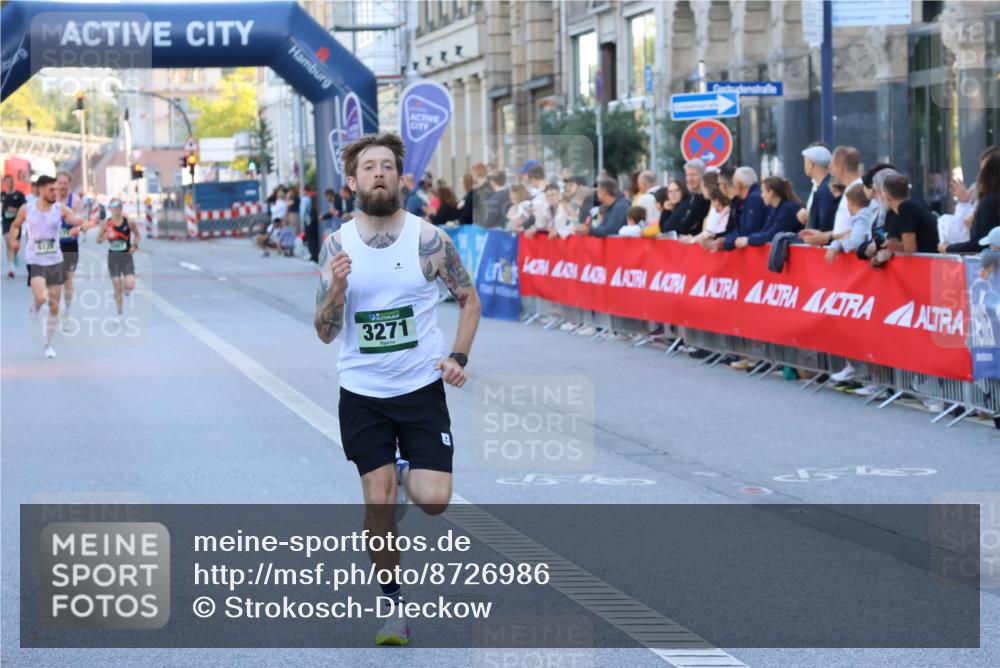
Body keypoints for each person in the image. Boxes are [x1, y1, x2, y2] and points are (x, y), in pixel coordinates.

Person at [313, 132, 481, 647]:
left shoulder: (429, 240)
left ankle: (409, 472)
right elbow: (324, 331)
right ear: (353, 181)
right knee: (378, 502)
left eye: (388, 165)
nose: (379, 173)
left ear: (401, 178)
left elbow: (468, 298)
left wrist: (457, 357)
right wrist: (336, 290)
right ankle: (392, 605)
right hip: (362, 390)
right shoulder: (337, 246)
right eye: (369, 167)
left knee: (434, 500)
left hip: (420, 386)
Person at [5, 175, 87, 358]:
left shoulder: (60, 208)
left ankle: (48, 344)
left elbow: (75, 218)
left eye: (56, 189)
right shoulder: (27, 209)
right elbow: (16, 225)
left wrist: (81, 224)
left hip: (55, 260)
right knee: (42, 298)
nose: (55, 193)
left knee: (54, 306)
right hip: (35, 260)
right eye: (51, 190)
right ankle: (36, 303)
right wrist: (13, 240)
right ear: (41, 190)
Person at [941, 153, 1000, 254]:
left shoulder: (988, 202)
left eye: (983, 171)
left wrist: (947, 248)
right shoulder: (986, 201)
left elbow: (977, 244)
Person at [96, 198, 140, 320]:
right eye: (114, 205)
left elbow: (137, 235)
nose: (116, 207)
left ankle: (127, 290)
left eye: (119, 205)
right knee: (116, 285)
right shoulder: (106, 224)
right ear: (110, 208)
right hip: (113, 257)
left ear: (122, 207)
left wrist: (134, 245)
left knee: (130, 284)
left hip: (126, 257)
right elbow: (97, 240)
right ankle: (119, 313)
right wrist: (104, 236)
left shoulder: (129, 222)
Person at [732, 176, 803, 248]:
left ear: (771, 192)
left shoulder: (787, 209)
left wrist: (749, 239)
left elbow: (774, 234)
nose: (761, 195)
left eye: (763, 191)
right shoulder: (774, 209)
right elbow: (765, 230)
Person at [880, 174, 940, 254]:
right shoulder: (916, 202)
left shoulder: (905, 208)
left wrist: (889, 246)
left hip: (927, 261)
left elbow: (910, 249)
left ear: (887, 195)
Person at [56, 172, 85, 327]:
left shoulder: (76, 201)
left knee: (67, 280)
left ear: (69, 184)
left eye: (65, 183)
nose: (62, 186)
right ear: (56, 183)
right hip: (53, 245)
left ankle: (66, 312)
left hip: (70, 245)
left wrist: (78, 228)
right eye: (60, 183)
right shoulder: (51, 199)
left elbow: (81, 221)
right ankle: (56, 307)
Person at [716, 167, 766, 251]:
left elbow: (748, 230)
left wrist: (725, 242)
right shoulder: (749, 199)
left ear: (739, 185)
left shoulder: (753, 199)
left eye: (733, 183)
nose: (732, 186)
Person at [826, 184, 873, 262]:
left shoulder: (861, 219)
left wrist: (844, 240)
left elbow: (853, 244)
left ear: (850, 202)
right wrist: (837, 244)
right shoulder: (868, 216)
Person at [663, 159, 711, 236]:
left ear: (702, 175)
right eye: (688, 175)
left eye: (694, 175)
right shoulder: (688, 198)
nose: (690, 179)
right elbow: (666, 228)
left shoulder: (708, 199)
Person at [797, 144, 837, 232]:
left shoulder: (824, 190)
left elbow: (822, 226)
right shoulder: (829, 186)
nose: (804, 165)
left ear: (811, 165)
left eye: (805, 161)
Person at [2, 174, 26, 278]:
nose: (8, 183)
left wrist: (15, 210)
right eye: (6, 181)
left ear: (13, 182)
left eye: (10, 181)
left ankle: (15, 255)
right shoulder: (2, 195)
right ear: (4, 183)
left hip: (17, 222)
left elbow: (25, 207)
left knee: (15, 245)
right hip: (6, 222)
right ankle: (11, 269)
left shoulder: (19, 194)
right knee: (9, 243)